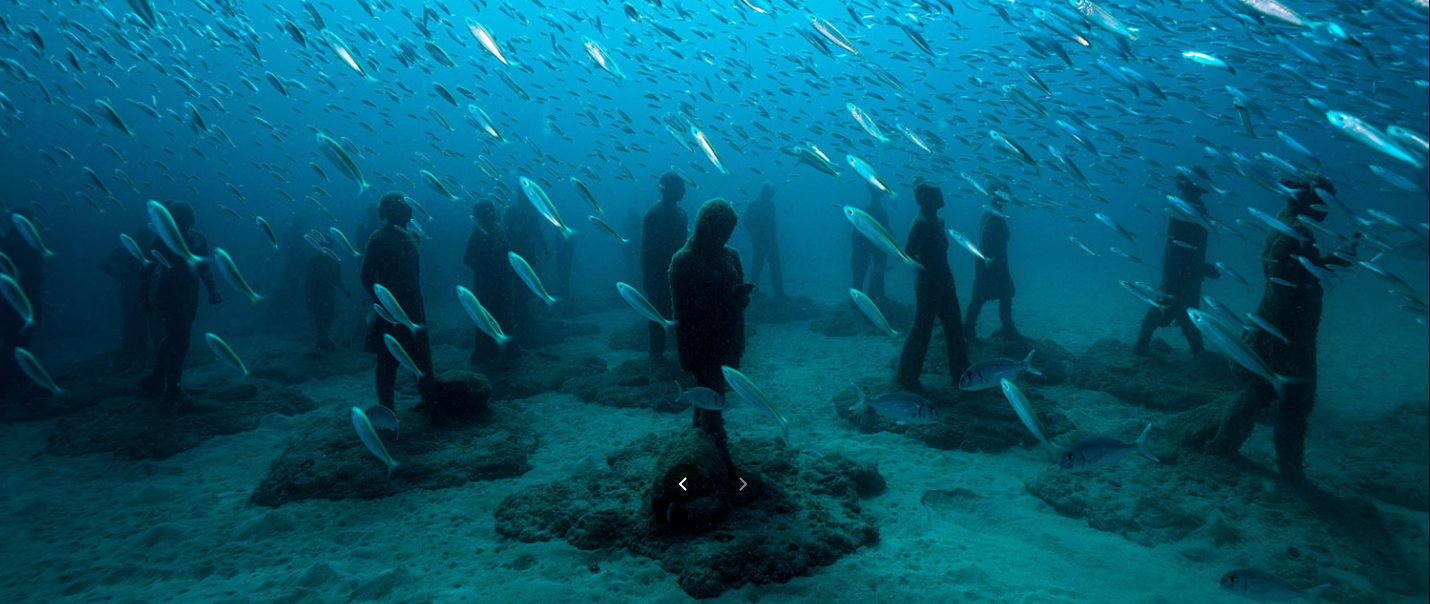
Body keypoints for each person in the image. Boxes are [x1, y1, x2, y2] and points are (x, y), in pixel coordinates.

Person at [1203, 176, 1357, 487]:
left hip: (1273, 321)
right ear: (1312, 202)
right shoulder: (1298, 231)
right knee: (1296, 402)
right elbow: (1292, 280)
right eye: (1325, 205)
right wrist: (1331, 265)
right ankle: (1290, 472)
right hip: (1290, 331)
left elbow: (1292, 270)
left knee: (1260, 390)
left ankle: (1222, 446)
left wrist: (1330, 261)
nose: (1327, 213)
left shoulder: (1283, 220)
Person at [670, 198, 754, 456]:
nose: (726, 236)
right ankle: (717, 454)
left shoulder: (731, 255)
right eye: (722, 230)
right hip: (702, 342)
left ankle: (700, 449)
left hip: (729, 339)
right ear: (707, 227)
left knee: (709, 399)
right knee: (712, 398)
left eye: (729, 230)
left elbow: (739, 302)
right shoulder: (684, 260)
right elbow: (682, 311)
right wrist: (686, 353)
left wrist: (740, 297)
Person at [139, 201, 221, 404]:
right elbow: (147, 270)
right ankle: (172, 389)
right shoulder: (162, 239)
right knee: (181, 341)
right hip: (169, 296)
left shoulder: (198, 239)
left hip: (190, 295)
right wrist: (144, 299)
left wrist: (213, 289)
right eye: (183, 215)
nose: (188, 219)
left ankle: (156, 378)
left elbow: (204, 268)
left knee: (172, 338)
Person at [361, 192, 434, 412]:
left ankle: (430, 405)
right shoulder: (378, 239)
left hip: (414, 308)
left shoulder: (413, 236)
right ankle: (387, 411)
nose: (410, 208)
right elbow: (366, 276)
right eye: (404, 205)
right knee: (387, 361)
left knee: (422, 357)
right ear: (392, 211)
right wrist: (383, 303)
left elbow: (414, 275)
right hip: (389, 311)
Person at [1134, 168, 1219, 356]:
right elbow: (1180, 244)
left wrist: (1198, 267)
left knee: (1185, 308)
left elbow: (1186, 244)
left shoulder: (1191, 204)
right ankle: (1141, 346)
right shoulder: (1187, 205)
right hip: (1180, 270)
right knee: (1168, 305)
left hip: (1184, 269)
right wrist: (1200, 267)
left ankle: (1197, 351)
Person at [895, 181, 969, 390]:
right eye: (937, 194)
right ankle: (906, 377)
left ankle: (962, 375)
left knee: (955, 328)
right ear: (925, 199)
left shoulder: (939, 221)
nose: (942, 196)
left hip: (945, 280)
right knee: (922, 331)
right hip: (929, 284)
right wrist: (926, 275)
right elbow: (907, 254)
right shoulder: (921, 223)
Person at [963, 180, 1022, 341]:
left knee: (997, 295)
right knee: (984, 296)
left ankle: (1006, 328)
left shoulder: (992, 211)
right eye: (1005, 193)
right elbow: (985, 239)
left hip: (993, 260)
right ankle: (969, 330)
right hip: (992, 262)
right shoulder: (992, 213)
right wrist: (990, 262)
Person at [641, 171, 689, 358]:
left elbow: (646, 250)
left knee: (663, 313)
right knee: (660, 313)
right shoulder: (657, 214)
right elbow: (646, 249)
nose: (684, 191)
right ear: (670, 190)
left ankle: (659, 352)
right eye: (680, 187)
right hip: (662, 274)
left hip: (668, 273)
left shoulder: (674, 214)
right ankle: (657, 353)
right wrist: (647, 276)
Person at [0, 207, 46, 395]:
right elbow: (37, 275)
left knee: (11, 338)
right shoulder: (30, 245)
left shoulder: (5, 243)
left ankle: (12, 378)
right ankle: (13, 380)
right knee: (18, 339)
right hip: (23, 300)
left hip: (8, 300)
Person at [464, 200, 515, 365]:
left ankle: (504, 348)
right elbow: (468, 258)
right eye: (489, 211)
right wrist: (486, 270)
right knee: (486, 315)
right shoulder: (478, 232)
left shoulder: (498, 229)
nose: (493, 213)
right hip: (486, 284)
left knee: (503, 313)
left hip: (502, 282)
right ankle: (486, 351)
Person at [97, 228, 151, 356]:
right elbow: (102, 263)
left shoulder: (123, 250)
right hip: (137, 287)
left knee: (132, 316)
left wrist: (117, 276)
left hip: (130, 287)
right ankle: (136, 348)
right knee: (138, 316)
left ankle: (133, 347)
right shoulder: (144, 251)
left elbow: (103, 263)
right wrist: (118, 276)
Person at [504, 200, 550, 336]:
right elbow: (536, 231)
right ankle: (519, 313)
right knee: (521, 284)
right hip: (520, 251)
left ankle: (521, 312)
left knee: (524, 283)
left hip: (523, 252)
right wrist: (545, 249)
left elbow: (537, 231)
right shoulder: (518, 211)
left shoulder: (518, 210)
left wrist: (545, 249)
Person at [742, 182, 784, 297]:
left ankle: (778, 292)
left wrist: (771, 238)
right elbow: (745, 221)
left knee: (774, 266)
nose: (771, 196)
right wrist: (755, 234)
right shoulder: (754, 206)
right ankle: (754, 292)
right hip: (760, 241)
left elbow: (772, 224)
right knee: (758, 266)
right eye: (770, 193)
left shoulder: (770, 206)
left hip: (770, 241)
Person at [850, 183, 888, 303]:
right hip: (867, 244)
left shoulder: (870, 208)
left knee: (862, 270)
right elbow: (885, 229)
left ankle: (871, 295)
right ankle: (872, 295)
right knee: (871, 268)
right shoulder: (875, 209)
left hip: (864, 244)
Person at [304, 249, 347, 352]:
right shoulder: (313, 261)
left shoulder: (334, 261)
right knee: (320, 317)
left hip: (327, 295)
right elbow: (308, 280)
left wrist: (344, 289)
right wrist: (308, 297)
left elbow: (338, 279)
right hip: (318, 295)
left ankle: (323, 340)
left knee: (328, 317)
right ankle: (323, 340)